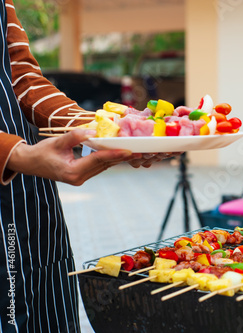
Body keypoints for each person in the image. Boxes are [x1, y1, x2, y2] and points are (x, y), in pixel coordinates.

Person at [0, 1, 171, 332]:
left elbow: (20, 77)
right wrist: (14, 154)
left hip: (29, 195)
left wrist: (105, 129)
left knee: (49, 310)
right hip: (23, 163)